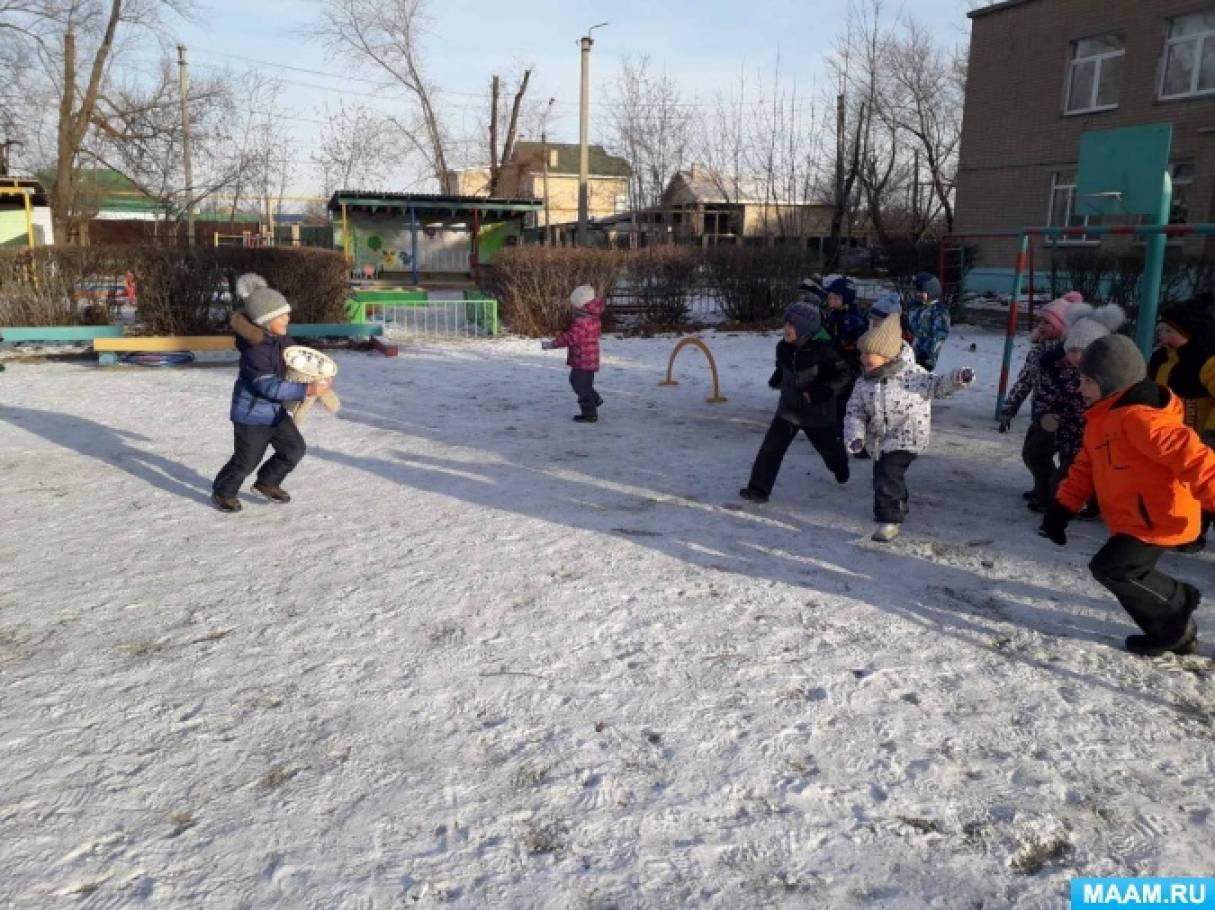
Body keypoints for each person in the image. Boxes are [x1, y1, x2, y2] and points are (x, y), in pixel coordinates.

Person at [1041, 334, 1215, 656]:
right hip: (1134, 517)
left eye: (1087, 381)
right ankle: (1172, 626)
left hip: (1160, 518)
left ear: (1111, 383)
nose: (1080, 388)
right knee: (1119, 571)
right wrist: (1062, 507)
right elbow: (1085, 465)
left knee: (1114, 568)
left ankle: (1177, 607)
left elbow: (1197, 461)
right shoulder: (1103, 417)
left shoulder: (1142, 421)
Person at [844, 314, 975, 542]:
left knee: (888, 472)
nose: (863, 358)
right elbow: (855, 411)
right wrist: (856, 435)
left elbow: (938, 386)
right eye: (861, 353)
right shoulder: (863, 382)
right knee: (884, 475)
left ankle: (889, 521)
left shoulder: (913, 375)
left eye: (868, 353)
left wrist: (957, 378)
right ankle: (899, 503)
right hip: (880, 439)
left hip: (908, 435)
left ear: (887, 354)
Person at [211, 278, 332, 513]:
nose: (288, 319)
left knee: (294, 449)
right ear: (265, 321)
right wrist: (306, 390)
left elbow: (300, 360)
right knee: (245, 461)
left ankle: (267, 482)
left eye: (287, 313)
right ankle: (223, 492)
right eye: (282, 315)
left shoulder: (280, 340)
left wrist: (320, 374)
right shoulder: (254, 352)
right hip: (252, 417)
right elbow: (269, 388)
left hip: (275, 412)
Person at [740, 303, 852, 503]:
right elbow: (784, 366)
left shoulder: (824, 351)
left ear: (805, 329)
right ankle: (758, 489)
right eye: (785, 324)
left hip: (818, 413)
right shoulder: (783, 347)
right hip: (789, 409)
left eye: (791, 325)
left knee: (829, 450)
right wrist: (778, 377)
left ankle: (839, 467)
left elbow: (844, 375)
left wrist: (823, 391)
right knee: (771, 448)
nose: (786, 329)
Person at [1000, 292, 1086, 504]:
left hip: (1065, 419)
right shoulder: (1037, 351)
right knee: (1032, 454)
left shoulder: (1072, 355)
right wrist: (1009, 408)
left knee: (1050, 457)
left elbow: (1080, 387)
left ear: (1062, 327)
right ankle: (1044, 488)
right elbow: (1025, 381)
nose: (1042, 325)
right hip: (1043, 415)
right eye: (1041, 321)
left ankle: (1051, 494)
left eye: (1047, 322)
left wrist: (1073, 413)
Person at [1149, 296, 1215, 551]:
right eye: (1161, 330)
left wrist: (1211, 431)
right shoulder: (1159, 359)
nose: (1163, 335)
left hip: (1198, 434)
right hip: (1165, 433)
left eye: (1170, 331)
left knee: (1198, 484)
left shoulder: (1205, 360)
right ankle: (1171, 523)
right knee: (1169, 481)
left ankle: (1197, 531)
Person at [542, 285, 605, 423]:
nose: (574, 308)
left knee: (581, 385)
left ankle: (590, 414)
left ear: (582, 304)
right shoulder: (592, 317)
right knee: (580, 383)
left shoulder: (583, 321)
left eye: (575, 305)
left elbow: (571, 337)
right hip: (587, 358)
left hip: (584, 358)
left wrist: (553, 344)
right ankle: (595, 399)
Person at [905, 272, 951, 372]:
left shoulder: (938, 310)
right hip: (908, 351)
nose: (917, 295)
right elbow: (907, 322)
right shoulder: (913, 306)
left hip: (926, 357)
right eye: (916, 292)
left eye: (921, 293)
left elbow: (940, 334)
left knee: (918, 377)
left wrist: (926, 352)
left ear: (932, 291)